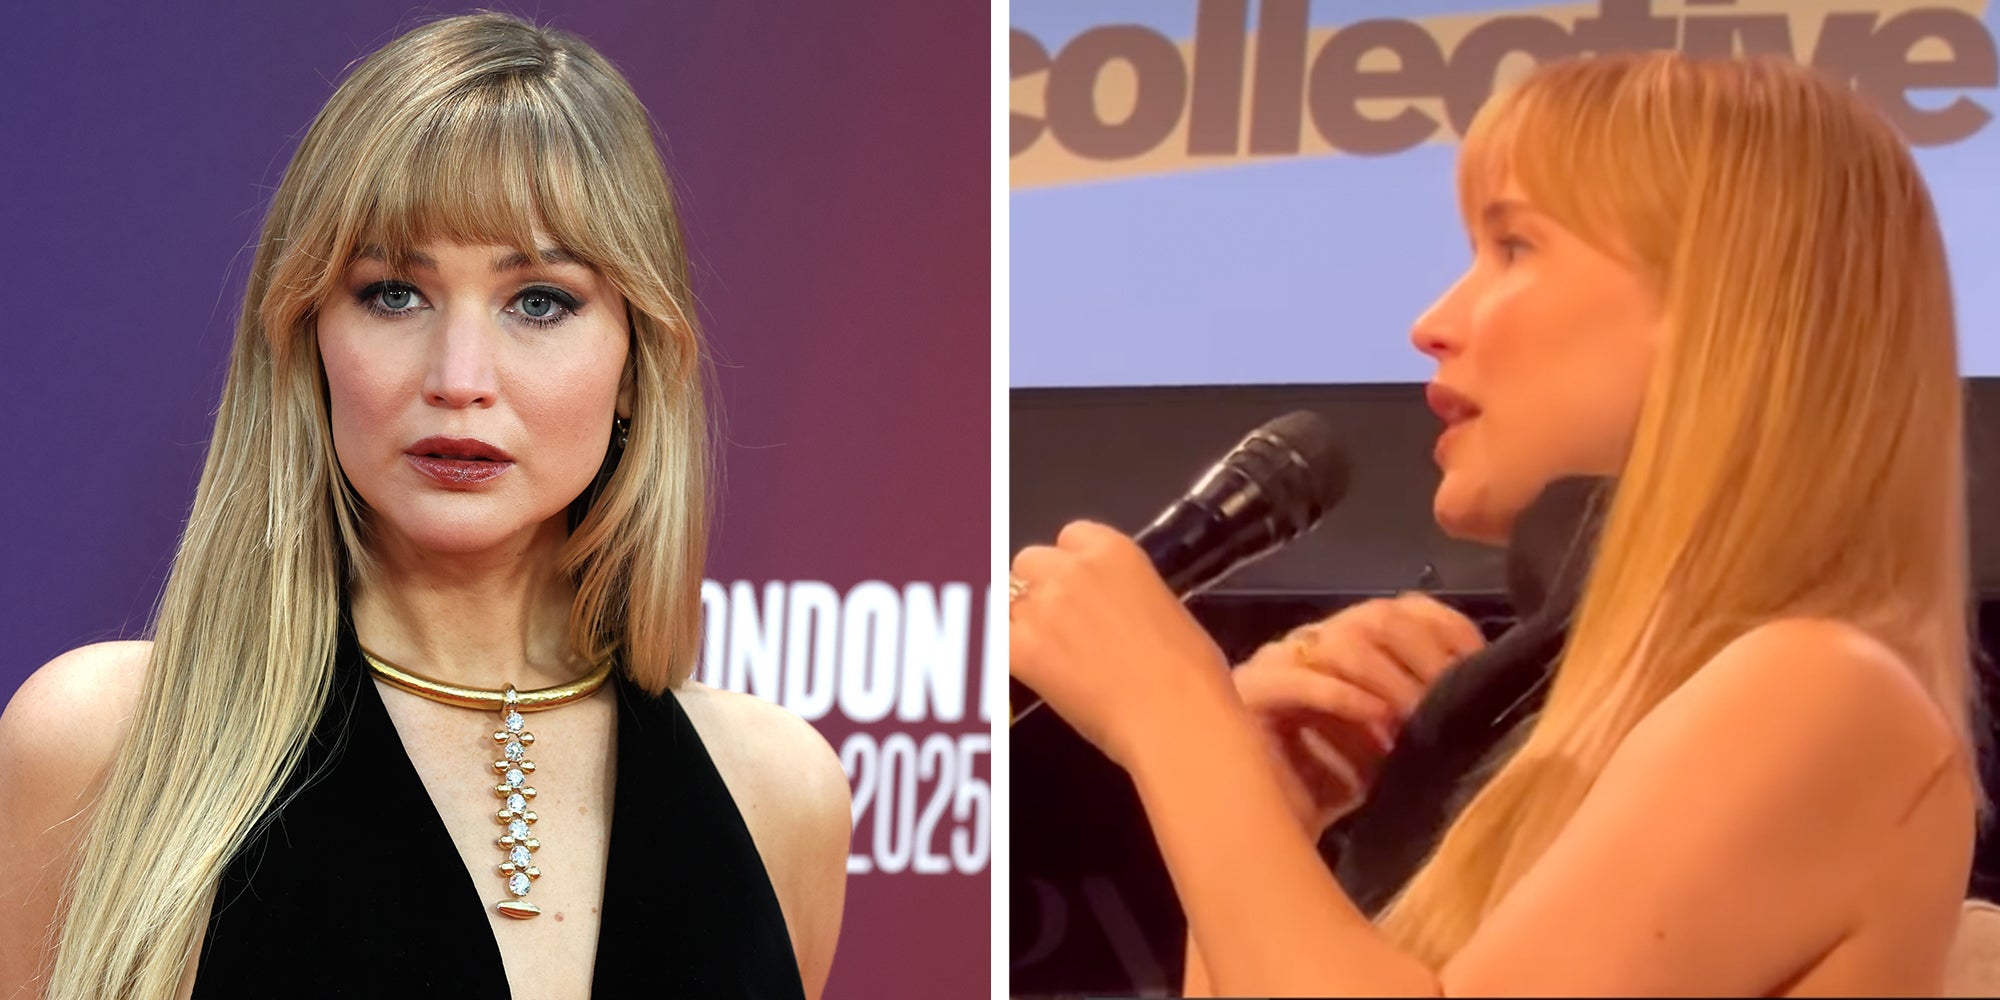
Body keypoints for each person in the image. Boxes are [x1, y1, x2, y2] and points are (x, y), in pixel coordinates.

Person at [1009, 51, 1983, 996]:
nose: (1432, 320)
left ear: (1725, 302)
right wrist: (1261, 803)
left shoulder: (1820, 690)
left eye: (1512, 246)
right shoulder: (1623, 729)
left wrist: (1175, 714)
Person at [0, 13, 849, 1000]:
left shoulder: (780, 790)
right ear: (307, 334)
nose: (459, 377)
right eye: (394, 292)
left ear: (636, 360)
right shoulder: (101, 743)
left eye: (538, 300)